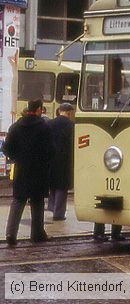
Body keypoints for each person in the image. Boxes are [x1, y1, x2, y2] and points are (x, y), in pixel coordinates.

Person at [3, 99, 54, 245]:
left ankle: (10, 234)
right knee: (37, 203)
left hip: (21, 169)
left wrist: (16, 158)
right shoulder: (44, 127)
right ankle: (37, 234)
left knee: (18, 201)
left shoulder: (16, 126)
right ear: (38, 110)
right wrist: (45, 160)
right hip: (39, 170)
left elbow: (6, 148)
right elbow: (51, 150)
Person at [47, 103, 75, 221]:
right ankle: (58, 213)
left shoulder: (50, 123)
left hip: (51, 158)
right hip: (65, 159)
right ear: (69, 112)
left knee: (52, 184)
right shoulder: (71, 125)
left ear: (59, 111)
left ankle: (52, 207)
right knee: (62, 187)